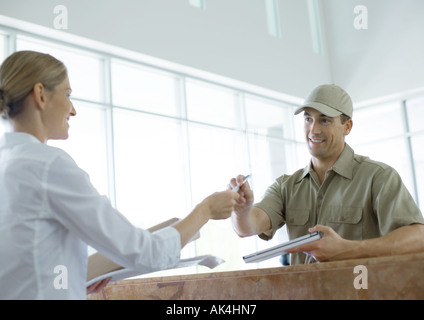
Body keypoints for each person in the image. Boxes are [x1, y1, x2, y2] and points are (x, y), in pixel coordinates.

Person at [0, 50, 239, 300]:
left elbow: (22, 267)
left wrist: (71, 281)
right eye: (67, 95)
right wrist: (206, 211)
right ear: (40, 94)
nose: (73, 110)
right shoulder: (49, 166)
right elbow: (147, 253)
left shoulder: (8, 163)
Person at [230, 84, 424, 265]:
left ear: (347, 126)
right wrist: (241, 209)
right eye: (308, 119)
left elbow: (418, 238)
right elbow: (247, 227)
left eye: (324, 120)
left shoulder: (378, 177)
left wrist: (348, 249)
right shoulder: (286, 186)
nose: (313, 130)